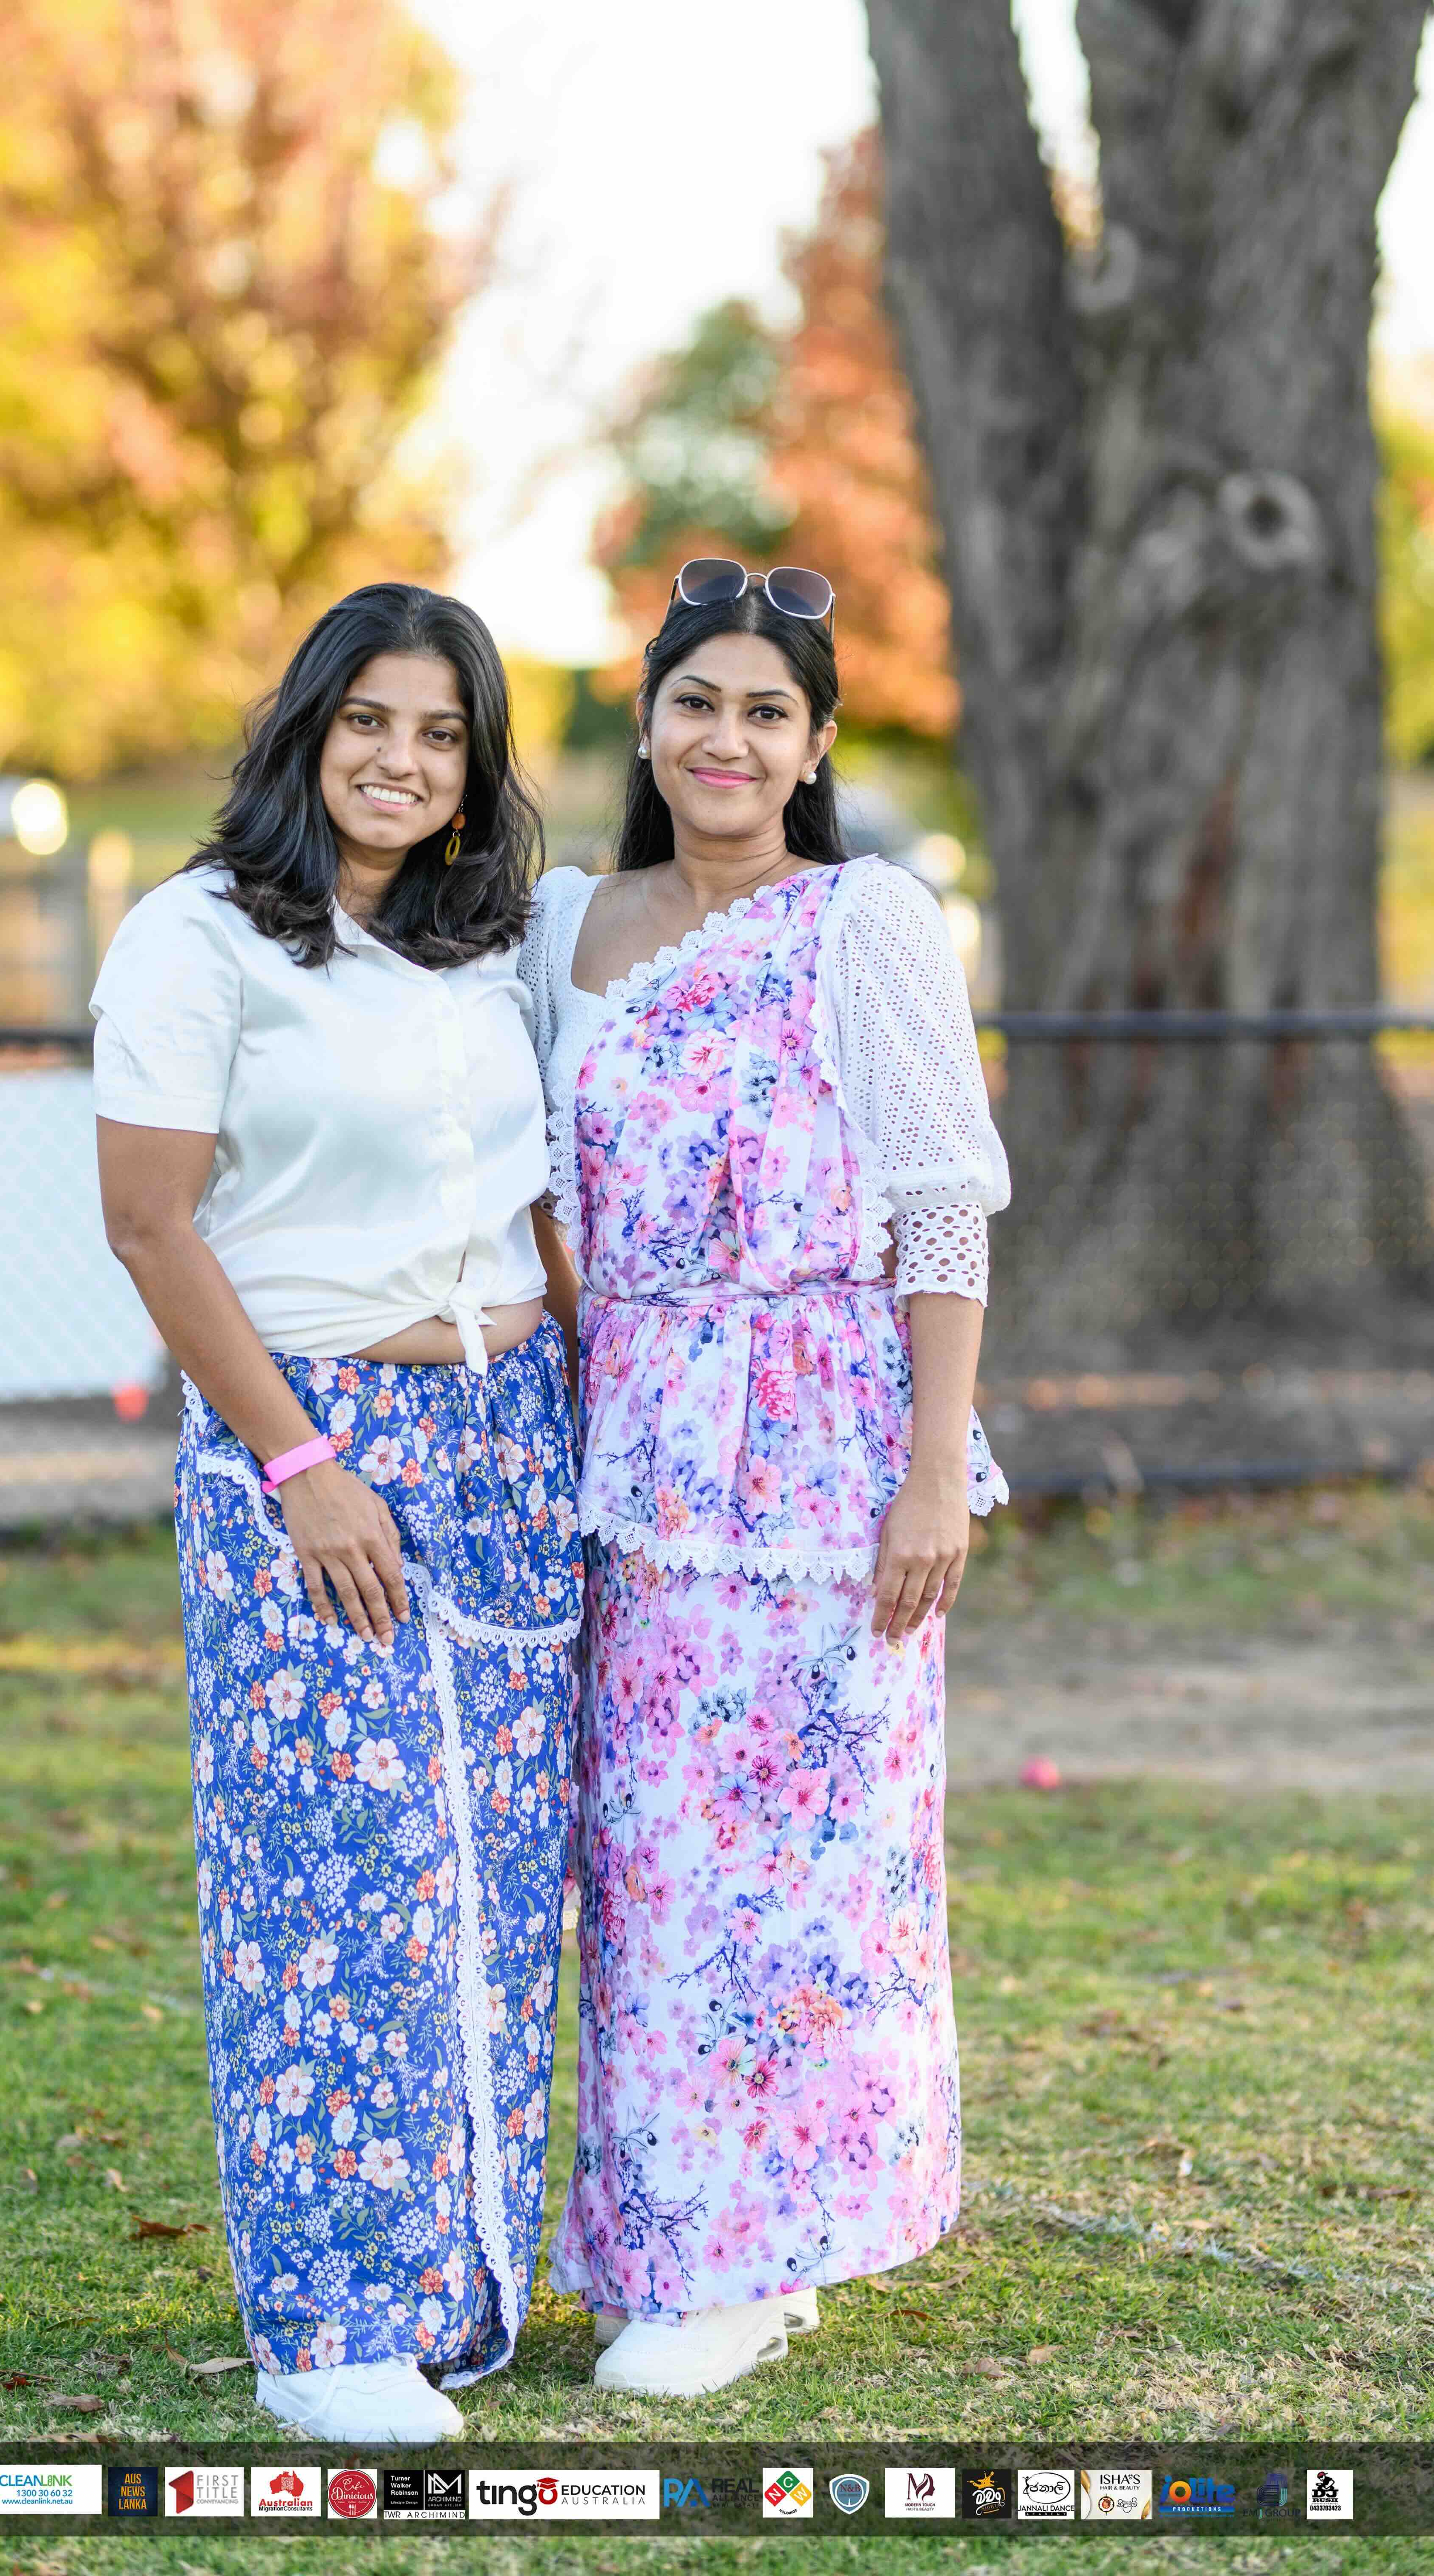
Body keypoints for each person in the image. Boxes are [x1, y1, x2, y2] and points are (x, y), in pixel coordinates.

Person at [92, 584, 582, 2446]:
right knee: (336, 1884)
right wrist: (304, 1469)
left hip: (512, 1431)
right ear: (305, 730)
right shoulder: (198, 940)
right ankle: (328, 2324)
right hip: (316, 1440)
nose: (399, 759)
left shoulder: (489, 943)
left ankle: (459, 2291)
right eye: (367, 721)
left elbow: (545, 1207)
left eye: (440, 733)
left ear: (475, 768)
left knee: (494, 1879)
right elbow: (152, 1226)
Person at [519, 560, 1010, 2400]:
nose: (726, 740)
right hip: (635, 1442)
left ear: (811, 749)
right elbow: (532, 1181)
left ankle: (759, 2251)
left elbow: (939, 1203)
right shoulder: (562, 923)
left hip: (823, 1439)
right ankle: (694, 2236)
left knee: (810, 1863)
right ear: (645, 720)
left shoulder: (860, 921)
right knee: (651, 1857)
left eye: (766, 713)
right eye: (697, 702)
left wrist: (928, 1476)